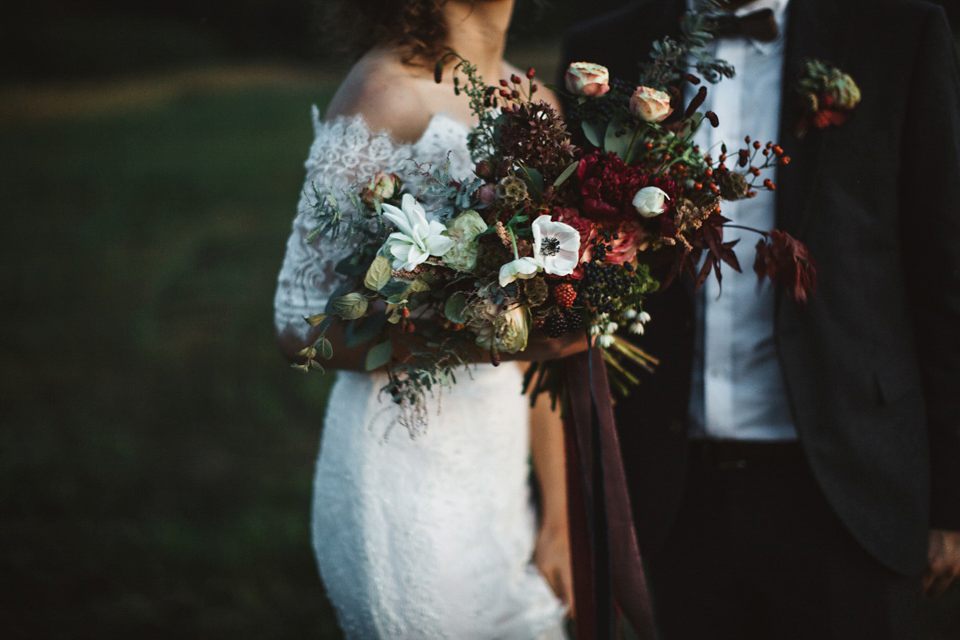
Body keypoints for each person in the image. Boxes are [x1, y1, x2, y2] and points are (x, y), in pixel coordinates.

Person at [561, 0, 960, 638]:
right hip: (669, 491)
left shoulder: (896, 33)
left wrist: (950, 500)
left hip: (849, 486)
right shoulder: (606, 51)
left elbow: (944, 271)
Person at [273, 1, 585, 638]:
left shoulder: (539, 105)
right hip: (404, 485)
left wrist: (557, 522)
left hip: (506, 495)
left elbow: (539, 351)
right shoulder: (384, 93)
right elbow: (297, 324)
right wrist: (476, 337)